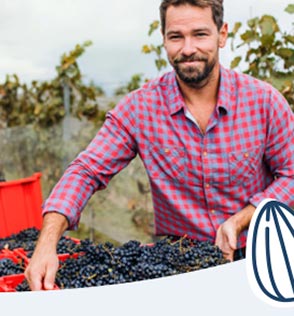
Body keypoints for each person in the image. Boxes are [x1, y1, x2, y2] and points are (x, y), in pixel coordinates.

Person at [25, 0, 294, 290]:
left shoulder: (264, 102)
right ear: (164, 39)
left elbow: (291, 174)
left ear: (222, 34)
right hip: (178, 263)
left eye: (200, 34)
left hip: (261, 253)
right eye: (176, 37)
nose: (188, 48)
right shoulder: (140, 108)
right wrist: (47, 242)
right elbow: (87, 170)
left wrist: (242, 219)